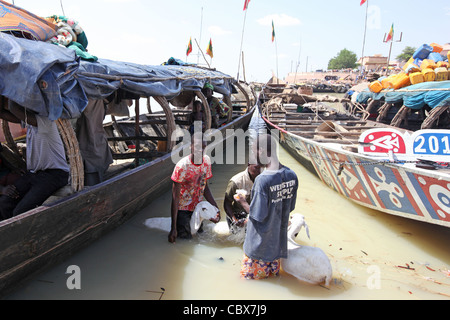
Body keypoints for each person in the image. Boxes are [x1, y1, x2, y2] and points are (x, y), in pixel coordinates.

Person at [237, 133, 298, 280]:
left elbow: (258, 215)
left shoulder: (262, 180)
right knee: (272, 282)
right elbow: (289, 208)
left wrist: (243, 201)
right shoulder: (292, 175)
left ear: (262, 151)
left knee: (249, 285)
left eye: (254, 151)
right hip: (276, 249)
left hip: (258, 251)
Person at [0, 100, 70, 220]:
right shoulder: (28, 123)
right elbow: (3, 113)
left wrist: (11, 90)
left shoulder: (46, 120)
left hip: (54, 175)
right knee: (5, 202)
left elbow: (14, 109)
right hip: (34, 174)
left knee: (20, 212)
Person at [169, 134, 220, 243]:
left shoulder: (206, 162)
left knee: (200, 235)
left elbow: (205, 187)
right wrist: (173, 228)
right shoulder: (182, 166)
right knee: (186, 241)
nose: (200, 150)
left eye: (203, 147)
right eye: (197, 147)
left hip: (198, 207)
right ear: (191, 147)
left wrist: (216, 209)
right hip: (183, 210)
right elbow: (175, 198)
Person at [223, 163, 260, 229]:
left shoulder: (264, 179)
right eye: (256, 168)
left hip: (254, 214)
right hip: (238, 215)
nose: (259, 171)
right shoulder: (236, 182)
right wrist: (235, 221)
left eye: (261, 168)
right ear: (249, 165)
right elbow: (227, 203)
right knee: (237, 238)